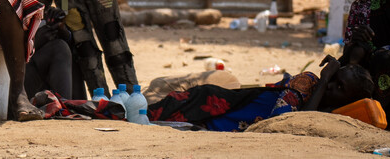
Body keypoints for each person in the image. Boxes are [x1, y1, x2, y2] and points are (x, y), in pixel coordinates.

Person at [147, 56, 374, 131]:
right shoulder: (309, 82)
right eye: (335, 80)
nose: (333, 86)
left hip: (215, 121)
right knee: (141, 115)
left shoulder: (331, 112)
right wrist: (324, 79)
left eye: (340, 88)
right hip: (212, 105)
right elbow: (284, 121)